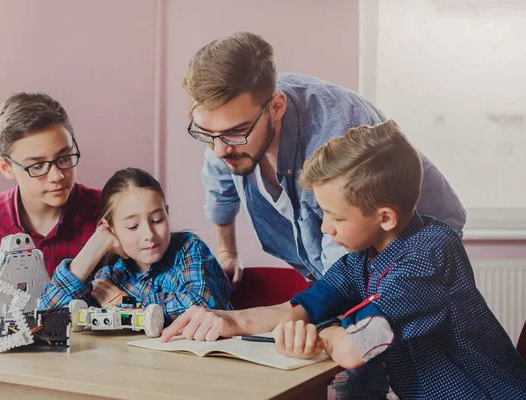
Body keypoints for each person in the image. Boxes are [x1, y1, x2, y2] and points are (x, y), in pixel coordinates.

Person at [179, 31, 466, 397]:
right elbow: (311, 300)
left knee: (407, 362)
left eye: (234, 133)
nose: (219, 149)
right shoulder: (227, 130)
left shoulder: (336, 130)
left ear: (276, 107)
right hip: (363, 255)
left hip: (408, 248)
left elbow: (354, 335)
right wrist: (230, 308)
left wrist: (323, 332)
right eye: (208, 134)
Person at [270, 120, 526, 399]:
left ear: (385, 218)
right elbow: (313, 300)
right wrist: (294, 325)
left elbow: (354, 348)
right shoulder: (366, 254)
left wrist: (322, 331)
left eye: (336, 217)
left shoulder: (428, 258)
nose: (325, 227)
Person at [0, 91, 100, 318]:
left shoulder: (105, 209)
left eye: (64, 159)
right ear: (6, 167)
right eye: (37, 166)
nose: (57, 176)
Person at [39, 168, 232, 323]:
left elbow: (203, 304)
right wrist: (92, 249)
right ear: (111, 229)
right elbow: (47, 316)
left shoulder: (189, 249)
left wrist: (126, 303)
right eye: (132, 226)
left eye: (157, 220)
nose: (148, 235)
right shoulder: (109, 273)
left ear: (167, 213)